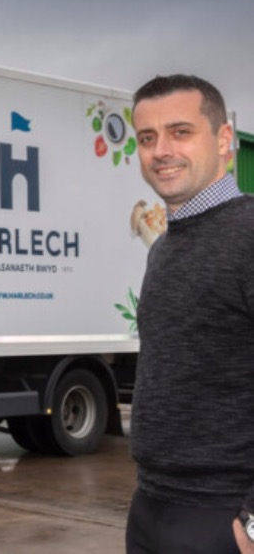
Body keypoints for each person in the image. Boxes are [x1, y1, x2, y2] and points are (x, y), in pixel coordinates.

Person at [126, 74, 254, 554]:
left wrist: (252, 523)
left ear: (224, 139)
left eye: (180, 132)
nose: (161, 150)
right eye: (147, 138)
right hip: (151, 506)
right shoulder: (163, 249)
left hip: (221, 515)